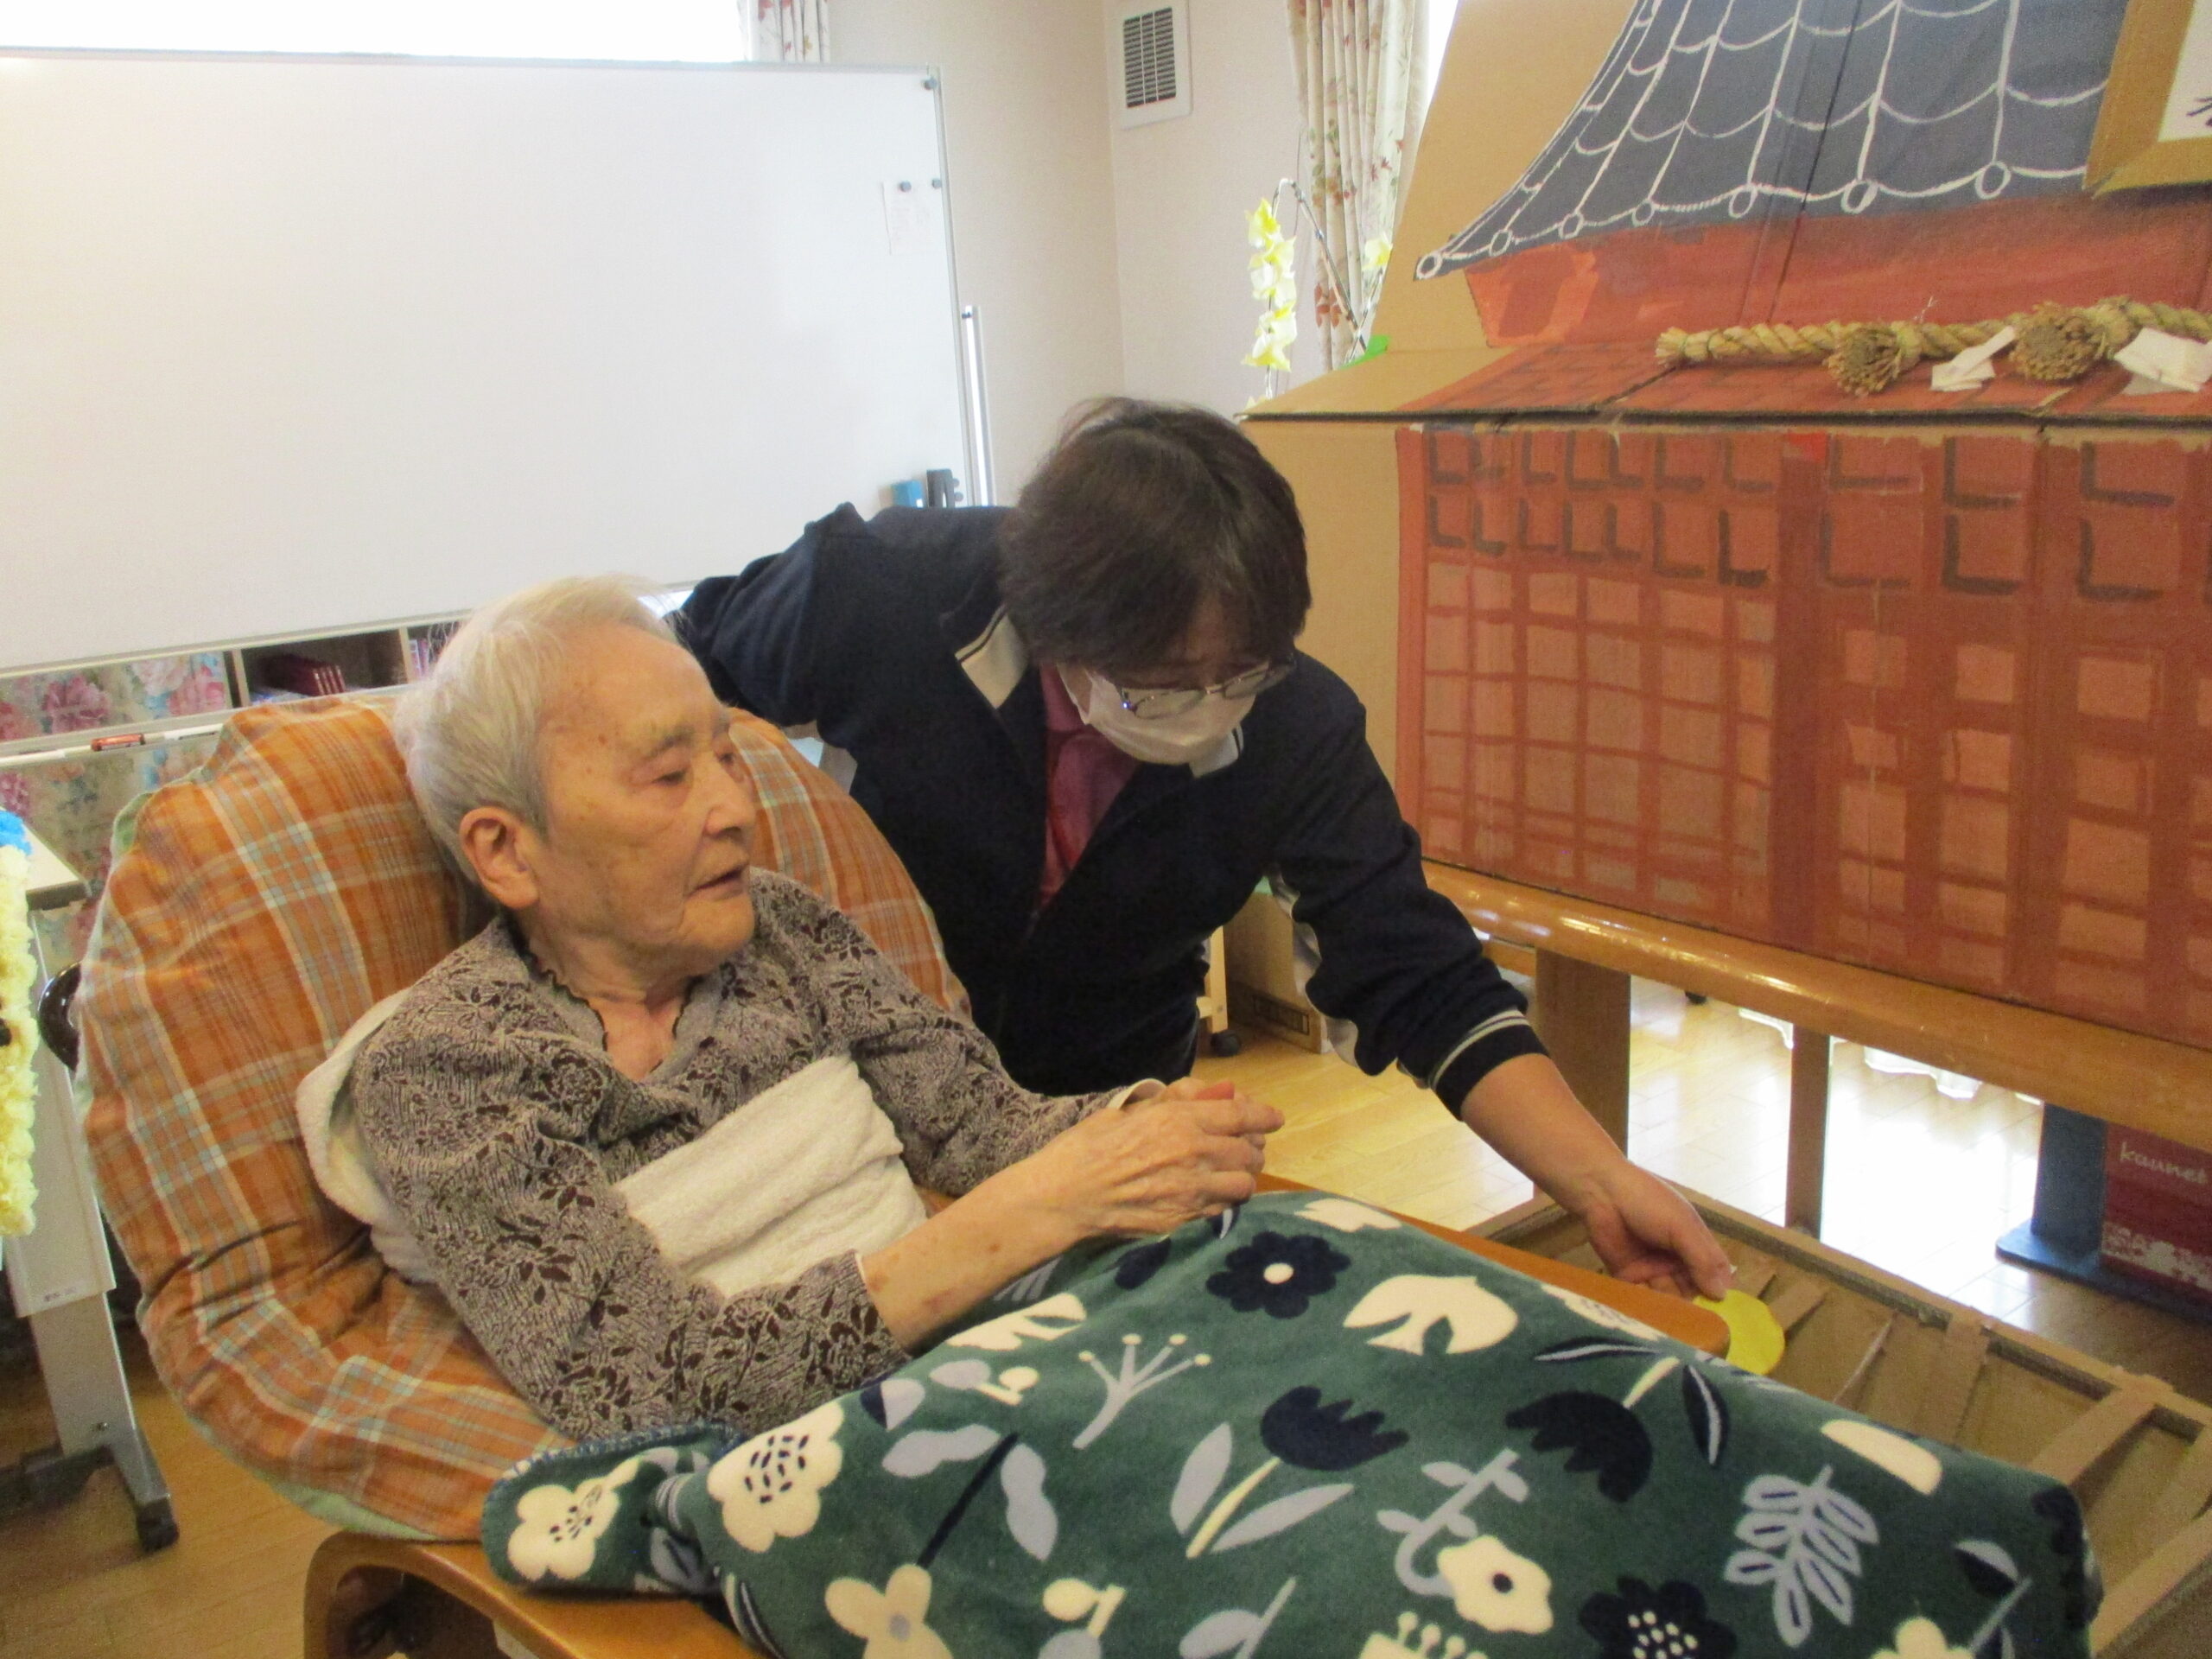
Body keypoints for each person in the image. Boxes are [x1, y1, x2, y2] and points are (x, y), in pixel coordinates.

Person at [679, 399, 1732, 1301]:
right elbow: (675, 691)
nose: (1211, 706)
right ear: (1056, 628)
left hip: (1103, 1117)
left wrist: (1600, 1181)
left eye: (1240, 673)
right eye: (1166, 684)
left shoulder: (1295, 725)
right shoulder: (881, 594)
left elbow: (1417, 971)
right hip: (855, 1100)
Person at [346, 577, 1281, 1440]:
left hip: (978, 1364)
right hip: (804, 1464)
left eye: (728, 757)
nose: (734, 808)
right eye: (670, 776)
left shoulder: (781, 928)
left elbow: (973, 1123)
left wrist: (1140, 1130)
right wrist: (1033, 1210)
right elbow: (645, 1387)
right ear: (506, 852)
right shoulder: (447, 1068)